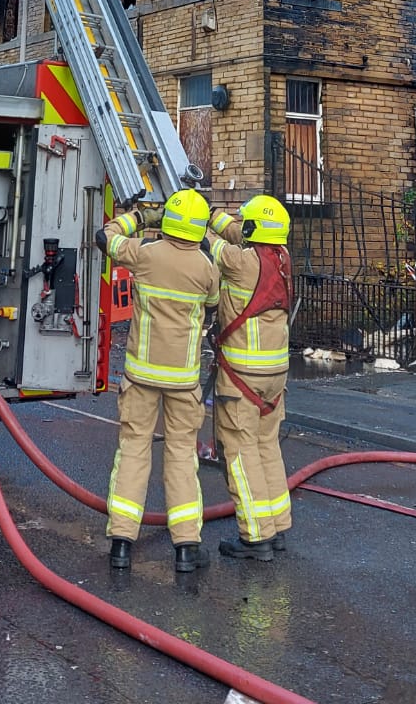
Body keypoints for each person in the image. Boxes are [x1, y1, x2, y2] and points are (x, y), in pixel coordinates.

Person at [96, 188, 220, 572]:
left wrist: (139, 218)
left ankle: (121, 543)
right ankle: (186, 547)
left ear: (167, 222)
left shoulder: (145, 254)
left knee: (133, 450)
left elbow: (105, 236)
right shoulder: (206, 268)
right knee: (182, 456)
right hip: (183, 381)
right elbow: (213, 306)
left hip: (141, 375)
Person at [207, 194, 293, 561]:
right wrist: (214, 213)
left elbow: (203, 241)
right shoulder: (282, 258)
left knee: (241, 453)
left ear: (254, 228)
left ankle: (255, 537)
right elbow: (237, 234)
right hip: (274, 378)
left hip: (242, 377)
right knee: (266, 446)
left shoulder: (240, 262)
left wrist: (192, 213)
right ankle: (277, 526)